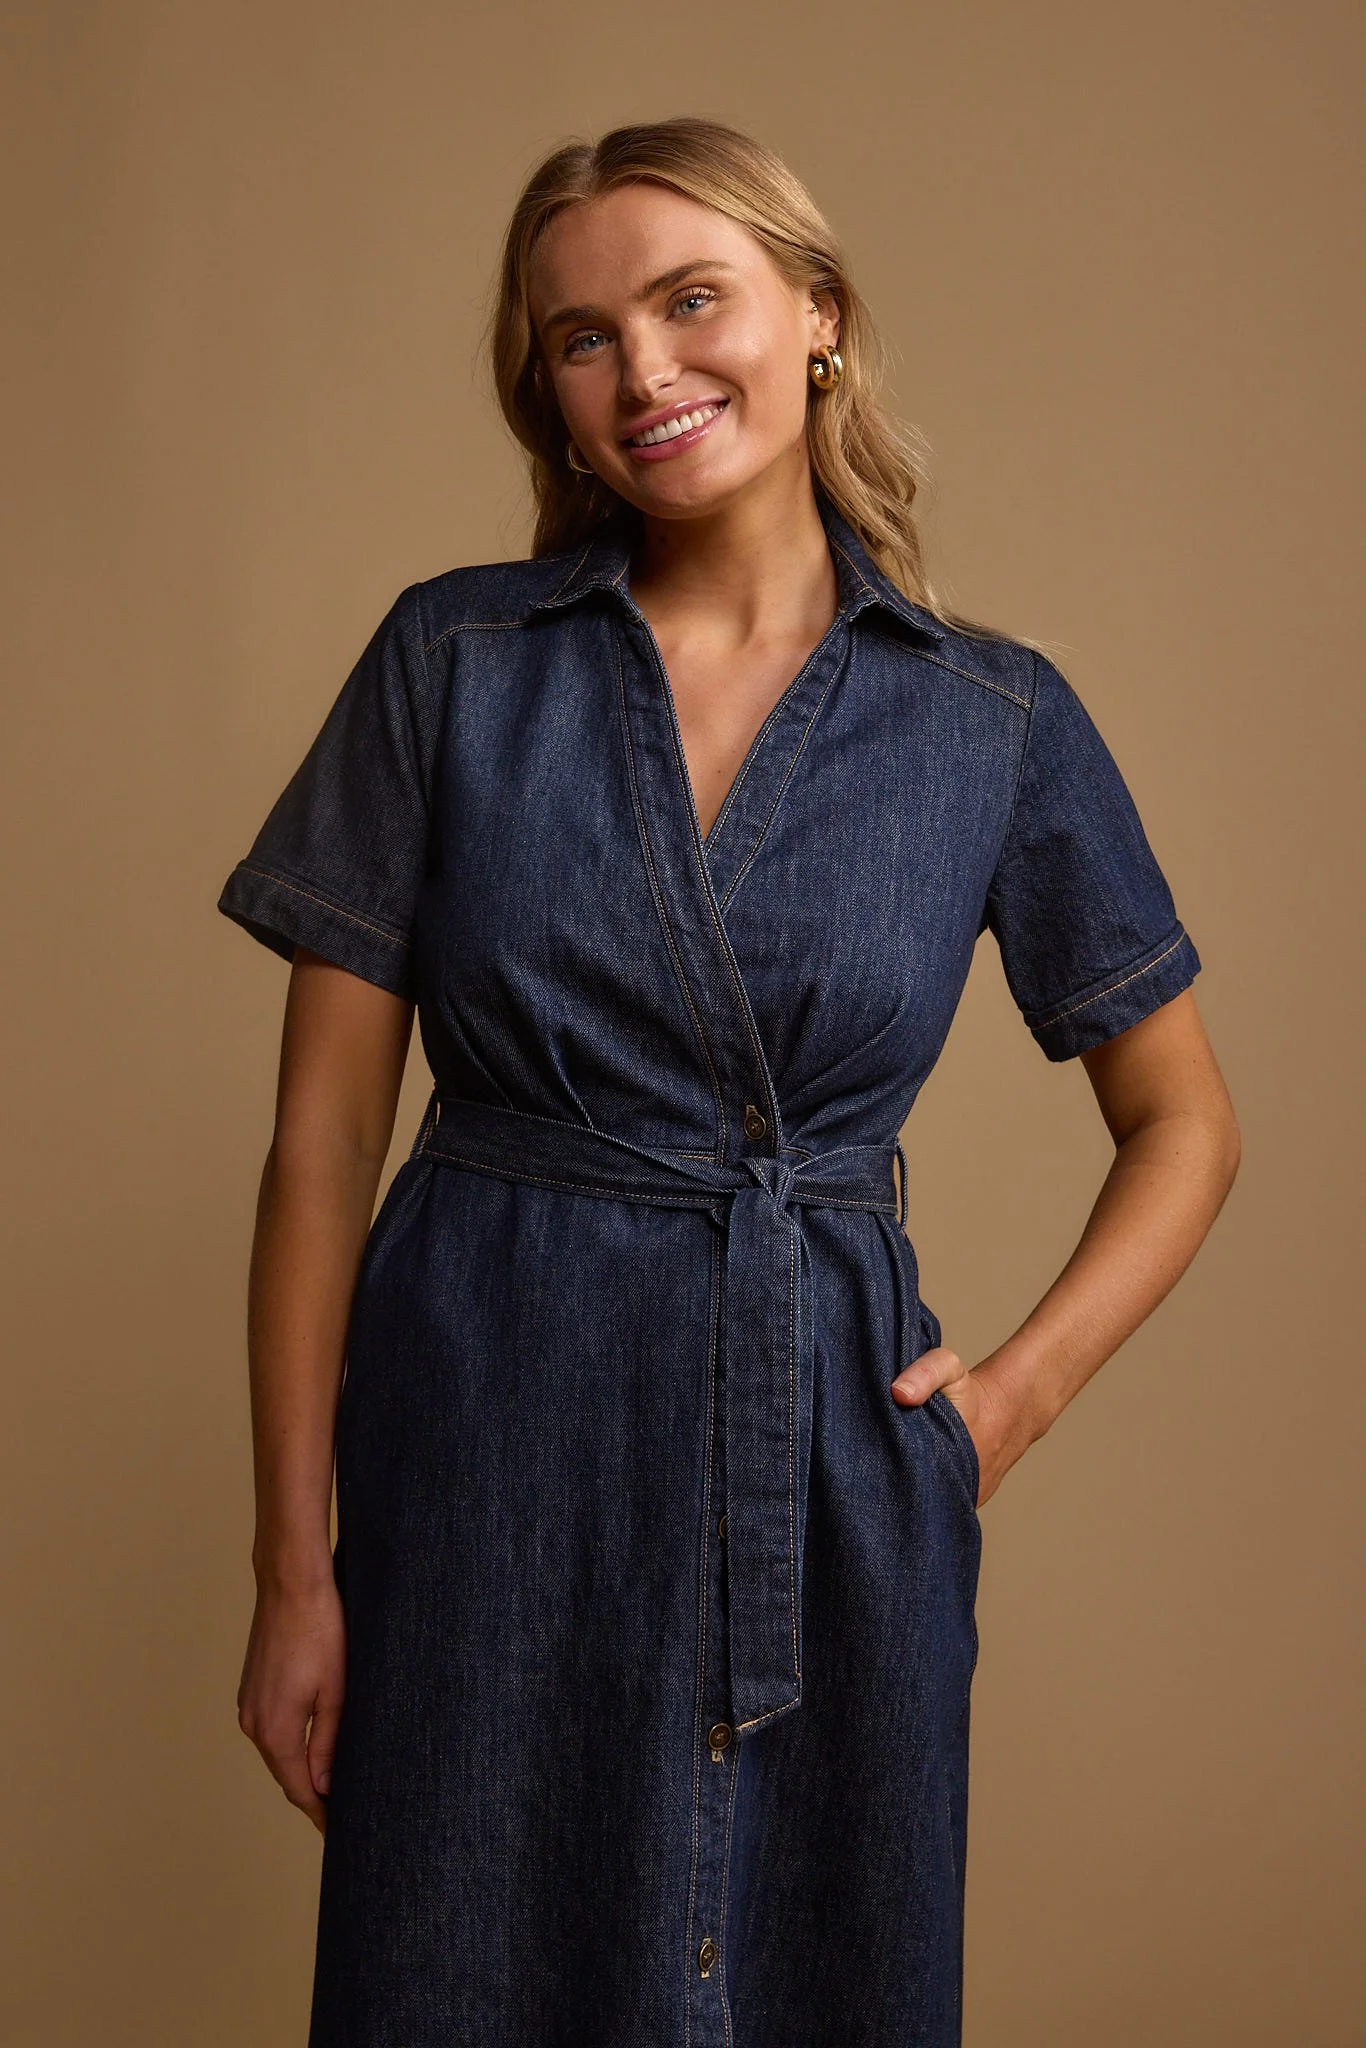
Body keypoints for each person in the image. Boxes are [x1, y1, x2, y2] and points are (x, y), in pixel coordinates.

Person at [219, 116, 1240, 2048]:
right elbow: (322, 1144)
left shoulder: (987, 719)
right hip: (483, 1446)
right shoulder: (454, 664)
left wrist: (1004, 1408)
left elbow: (1185, 1121)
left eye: (693, 301)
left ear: (819, 316)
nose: (645, 371)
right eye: (582, 338)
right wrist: (293, 1570)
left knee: (807, 1976)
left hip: (830, 1462)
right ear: (548, 390)